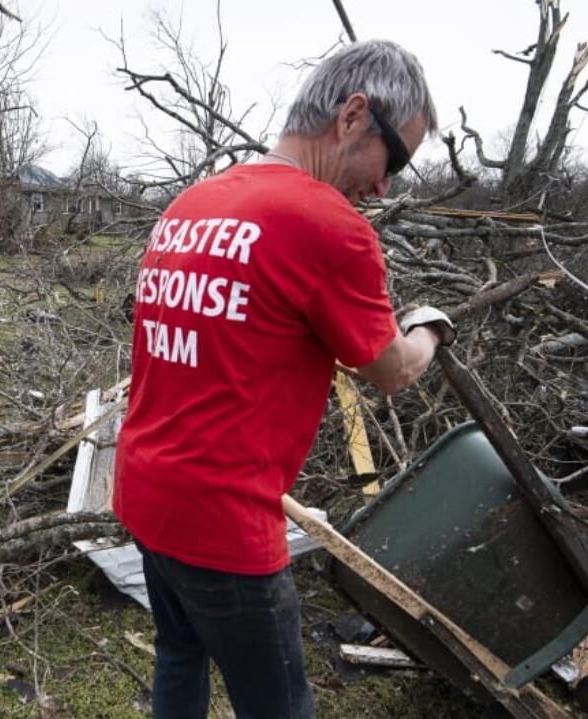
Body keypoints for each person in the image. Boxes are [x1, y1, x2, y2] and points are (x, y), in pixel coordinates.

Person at [112, 40, 457, 718]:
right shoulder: (329, 225)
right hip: (224, 522)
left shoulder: (193, 203)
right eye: (398, 159)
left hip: (147, 491)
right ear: (354, 115)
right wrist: (431, 329)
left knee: (179, 654)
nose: (387, 186)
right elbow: (390, 369)